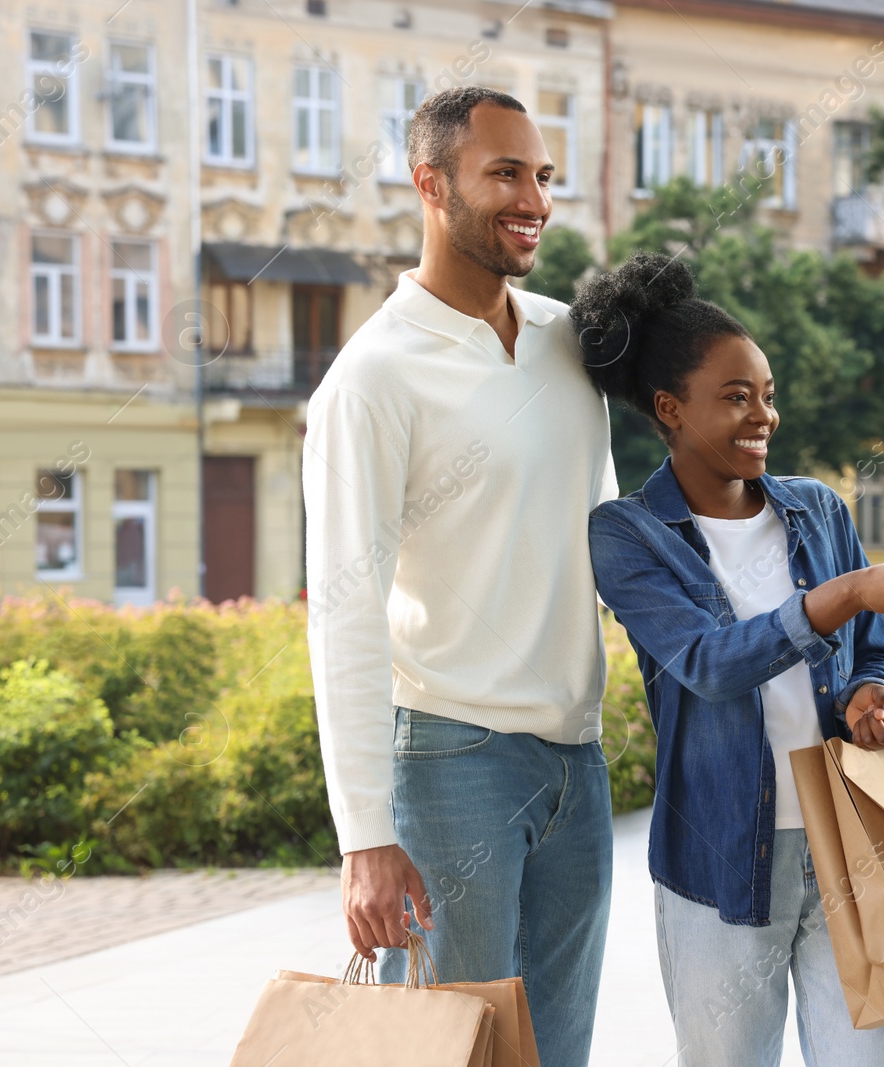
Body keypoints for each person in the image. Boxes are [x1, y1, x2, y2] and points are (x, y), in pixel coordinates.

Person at [575, 251, 884, 1066]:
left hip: (854, 847)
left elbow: (874, 651)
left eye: (767, 394)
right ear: (669, 408)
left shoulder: (818, 509)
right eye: (735, 397)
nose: (764, 414)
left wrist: (871, 690)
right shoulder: (628, 534)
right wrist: (851, 592)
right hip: (720, 862)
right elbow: (709, 662)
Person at [302, 85, 617, 1066]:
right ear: (430, 182)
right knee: (448, 1048)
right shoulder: (373, 377)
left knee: (555, 1050)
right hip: (451, 763)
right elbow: (344, 610)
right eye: (506, 173)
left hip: (579, 760)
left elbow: (611, 539)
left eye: (542, 175)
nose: (534, 198)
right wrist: (364, 834)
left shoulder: (572, 342)